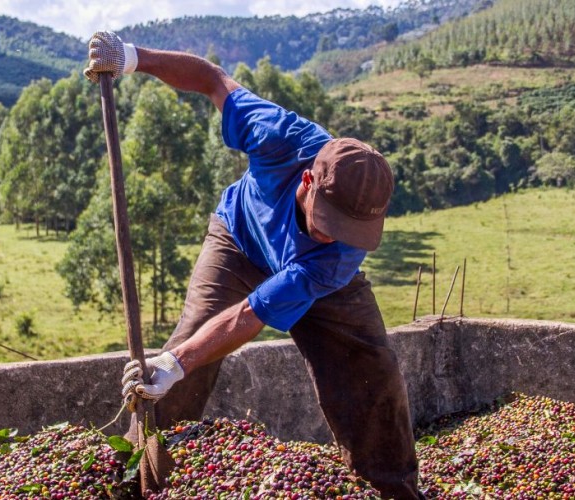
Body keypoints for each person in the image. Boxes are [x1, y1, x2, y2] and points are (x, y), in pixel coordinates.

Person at [84, 31, 424, 499]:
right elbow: (211, 78)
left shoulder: (338, 254)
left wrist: (178, 362)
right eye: (326, 221)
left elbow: (253, 314)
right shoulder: (278, 137)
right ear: (307, 179)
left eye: (346, 228)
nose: (332, 233)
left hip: (306, 276)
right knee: (189, 349)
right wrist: (132, 58)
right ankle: (139, 480)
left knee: (370, 367)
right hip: (240, 241)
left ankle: (392, 490)